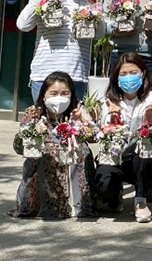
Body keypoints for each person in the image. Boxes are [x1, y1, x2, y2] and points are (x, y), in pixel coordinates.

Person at [9, 71, 97, 219]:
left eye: (65, 93)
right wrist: (31, 126)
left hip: (72, 162)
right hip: (45, 166)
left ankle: (79, 204)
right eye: (54, 93)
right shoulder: (33, 112)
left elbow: (96, 136)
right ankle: (43, 205)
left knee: (82, 149)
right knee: (47, 151)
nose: (59, 98)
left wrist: (84, 121)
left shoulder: (78, 110)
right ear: (44, 96)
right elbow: (19, 147)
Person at [16, 0, 102, 101]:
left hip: (75, 76)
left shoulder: (90, 2)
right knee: (42, 123)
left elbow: (99, 35)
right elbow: (23, 25)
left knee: (72, 124)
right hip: (44, 74)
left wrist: (95, 7)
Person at [95, 52, 152, 223]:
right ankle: (115, 194)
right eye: (123, 74)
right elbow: (105, 133)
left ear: (143, 73)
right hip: (116, 156)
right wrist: (112, 118)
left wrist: (148, 119)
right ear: (116, 77)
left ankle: (140, 199)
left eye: (133, 73)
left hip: (141, 157)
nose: (128, 78)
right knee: (103, 185)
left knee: (143, 150)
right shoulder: (110, 99)